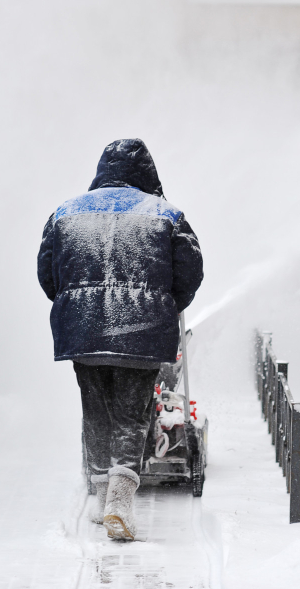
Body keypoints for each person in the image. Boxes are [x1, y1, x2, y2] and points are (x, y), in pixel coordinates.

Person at [37, 138, 203, 541]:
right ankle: (120, 502)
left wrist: (75, 304)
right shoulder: (168, 215)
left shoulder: (64, 213)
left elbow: (47, 272)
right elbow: (191, 271)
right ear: (148, 174)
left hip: (84, 330)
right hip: (141, 332)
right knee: (132, 415)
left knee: (96, 412)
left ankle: (99, 498)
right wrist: (163, 307)